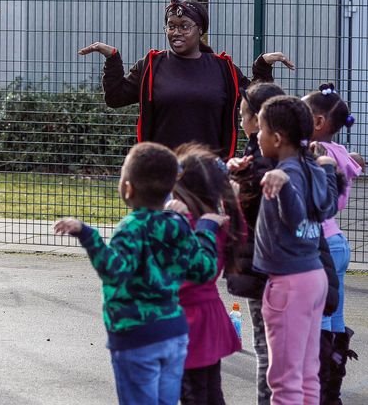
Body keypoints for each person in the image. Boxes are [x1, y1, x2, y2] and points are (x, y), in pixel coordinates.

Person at [54, 142, 227, 405]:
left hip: (136, 336)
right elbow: (204, 269)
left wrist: (87, 235)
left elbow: (114, 272)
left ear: (127, 188)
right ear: (170, 189)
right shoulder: (177, 224)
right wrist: (204, 230)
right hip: (174, 333)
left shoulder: (130, 228)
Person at [78, 0, 295, 160]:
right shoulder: (152, 65)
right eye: (171, 26)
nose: (176, 32)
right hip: (162, 171)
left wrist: (263, 66)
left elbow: (255, 102)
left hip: (209, 172)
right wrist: (112, 58)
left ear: (200, 30)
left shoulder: (223, 68)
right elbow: (115, 97)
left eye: (184, 26)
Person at [253, 95, 339, 404]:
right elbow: (327, 207)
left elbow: (295, 216)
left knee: (285, 382)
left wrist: (283, 182)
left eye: (260, 130)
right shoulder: (311, 166)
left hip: (289, 283)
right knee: (305, 375)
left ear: (276, 138)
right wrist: (328, 170)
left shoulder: (285, 176)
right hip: (313, 278)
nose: (256, 136)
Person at [166, 144, 245, 404]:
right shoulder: (220, 223)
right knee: (211, 391)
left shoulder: (185, 226)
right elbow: (241, 232)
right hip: (209, 315)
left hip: (187, 320)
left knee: (192, 393)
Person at [226, 81, 285, 405]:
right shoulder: (285, 154)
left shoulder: (259, 163)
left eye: (241, 113)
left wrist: (232, 184)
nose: (239, 118)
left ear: (256, 121)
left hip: (263, 269)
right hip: (280, 269)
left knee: (268, 350)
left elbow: (244, 210)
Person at [303, 83, 362, 404]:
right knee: (335, 319)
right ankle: (333, 390)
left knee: (321, 323)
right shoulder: (340, 153)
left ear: (318, 122)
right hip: (338, 242)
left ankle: (321, 390)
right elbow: (354, 163)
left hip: (321, 246)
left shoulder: (317, 153)